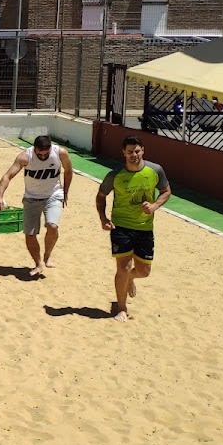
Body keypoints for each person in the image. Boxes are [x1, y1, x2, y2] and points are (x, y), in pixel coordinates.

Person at [95, 136, 171, 322]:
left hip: (145, 227)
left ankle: (130, 279)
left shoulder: (155, 170)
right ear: (124, 152)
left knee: (144, 271)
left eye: (137, 151)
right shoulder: (115, 175)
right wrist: (103, 218)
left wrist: (154, 206)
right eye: (130, 152)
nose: (134, 155)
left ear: (143, 150)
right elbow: (101, 196)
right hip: (120, 226)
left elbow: (166, 191)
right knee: (124, 267)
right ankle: (121, 308)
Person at [0, 135, 74, 275]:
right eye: (39, 154)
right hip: (31, 198)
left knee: (52, 226)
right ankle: (38, 263)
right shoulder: (25, 157)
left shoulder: (60, 153)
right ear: (34, 148)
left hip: (53, 195)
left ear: (50, 148)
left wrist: (65, 191)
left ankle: (47, 255)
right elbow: (7, 176)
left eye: (45, 154)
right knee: (30, 234)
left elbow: (68, 170)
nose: (42, 156)